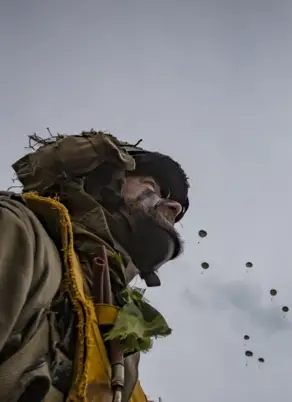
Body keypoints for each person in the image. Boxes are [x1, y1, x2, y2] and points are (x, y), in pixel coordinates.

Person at [0, 130, 190, 402]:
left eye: (176, 209)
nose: (173, 208)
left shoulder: (123, 346)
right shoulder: (18, 234)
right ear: (103, 183)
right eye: (150, 187)